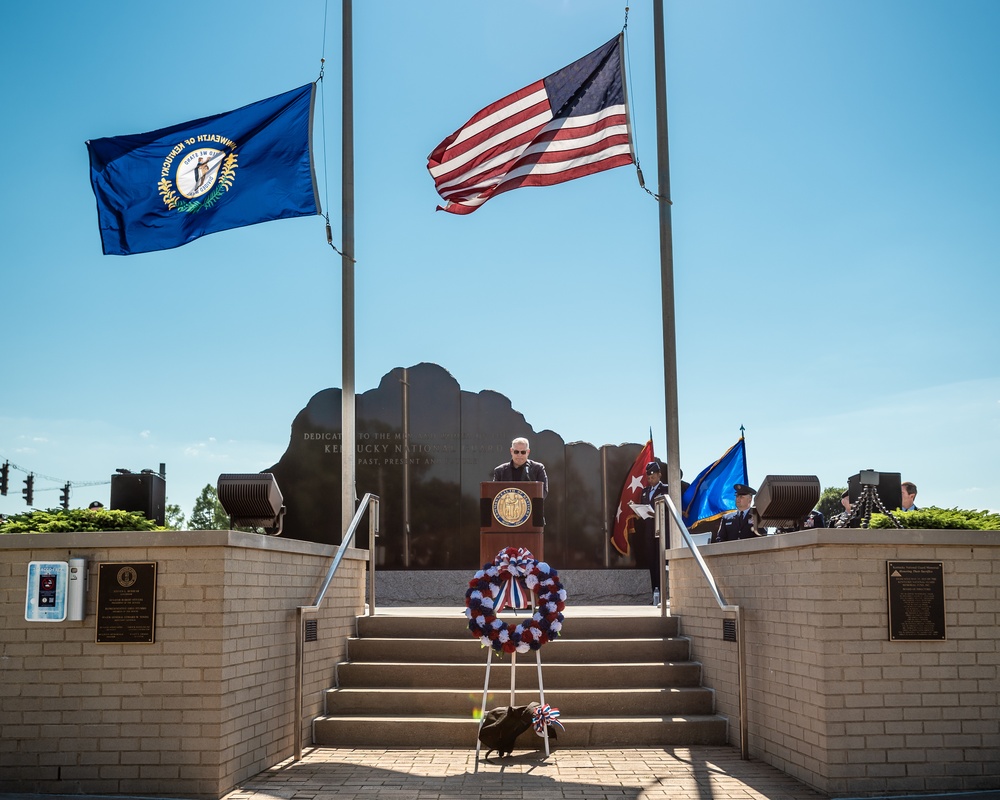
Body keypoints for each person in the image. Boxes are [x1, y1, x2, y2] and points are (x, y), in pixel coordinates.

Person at [633, 461, 669, 604]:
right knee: (651, 563)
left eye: (653, 476)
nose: (651, 479)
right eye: (648, 477)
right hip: (649, 531)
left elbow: (669, 509)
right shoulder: (645, 491)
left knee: (660, 562)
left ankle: (662, 595)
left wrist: (656, 514)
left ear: (659, 475)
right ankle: (655, 592)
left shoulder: (665, 489)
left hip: (661, 531)